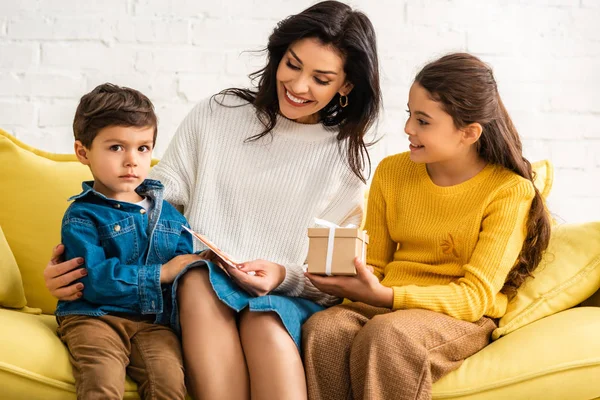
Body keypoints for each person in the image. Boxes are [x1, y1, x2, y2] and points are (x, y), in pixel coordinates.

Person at [44, 2, 381, 399]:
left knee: (263, 319)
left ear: (345, 85)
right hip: (199, 287)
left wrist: (280, 275)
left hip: (281, 299)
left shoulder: (345, 159)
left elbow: (331, 281)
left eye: (321, 79)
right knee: (200, 276)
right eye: (292, 64)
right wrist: (79, 272)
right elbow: (143, 203)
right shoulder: (218, 114)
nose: (298, 85)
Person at [303, 52, 552, 400]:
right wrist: (352, 278)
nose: (408, 129)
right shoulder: (392, 172)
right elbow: (374, 262)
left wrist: (387, 296)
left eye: (423, 121)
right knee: (324, 328)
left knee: (388, 336)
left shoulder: (508, 192)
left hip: (459, 316)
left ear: (468, 133)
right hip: (388, 302)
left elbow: (474, 297)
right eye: (409, 115)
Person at [54, 83, 202, 400]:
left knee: (169, 383)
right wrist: (160, 273)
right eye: (116, 148)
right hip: (94, 317)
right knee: (101, 380)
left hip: (152, 324)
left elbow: (186, 274)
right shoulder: (82, 216)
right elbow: (94, 281)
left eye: (143, 148)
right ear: (83, 152)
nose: (132, 160)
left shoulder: (170, 217)